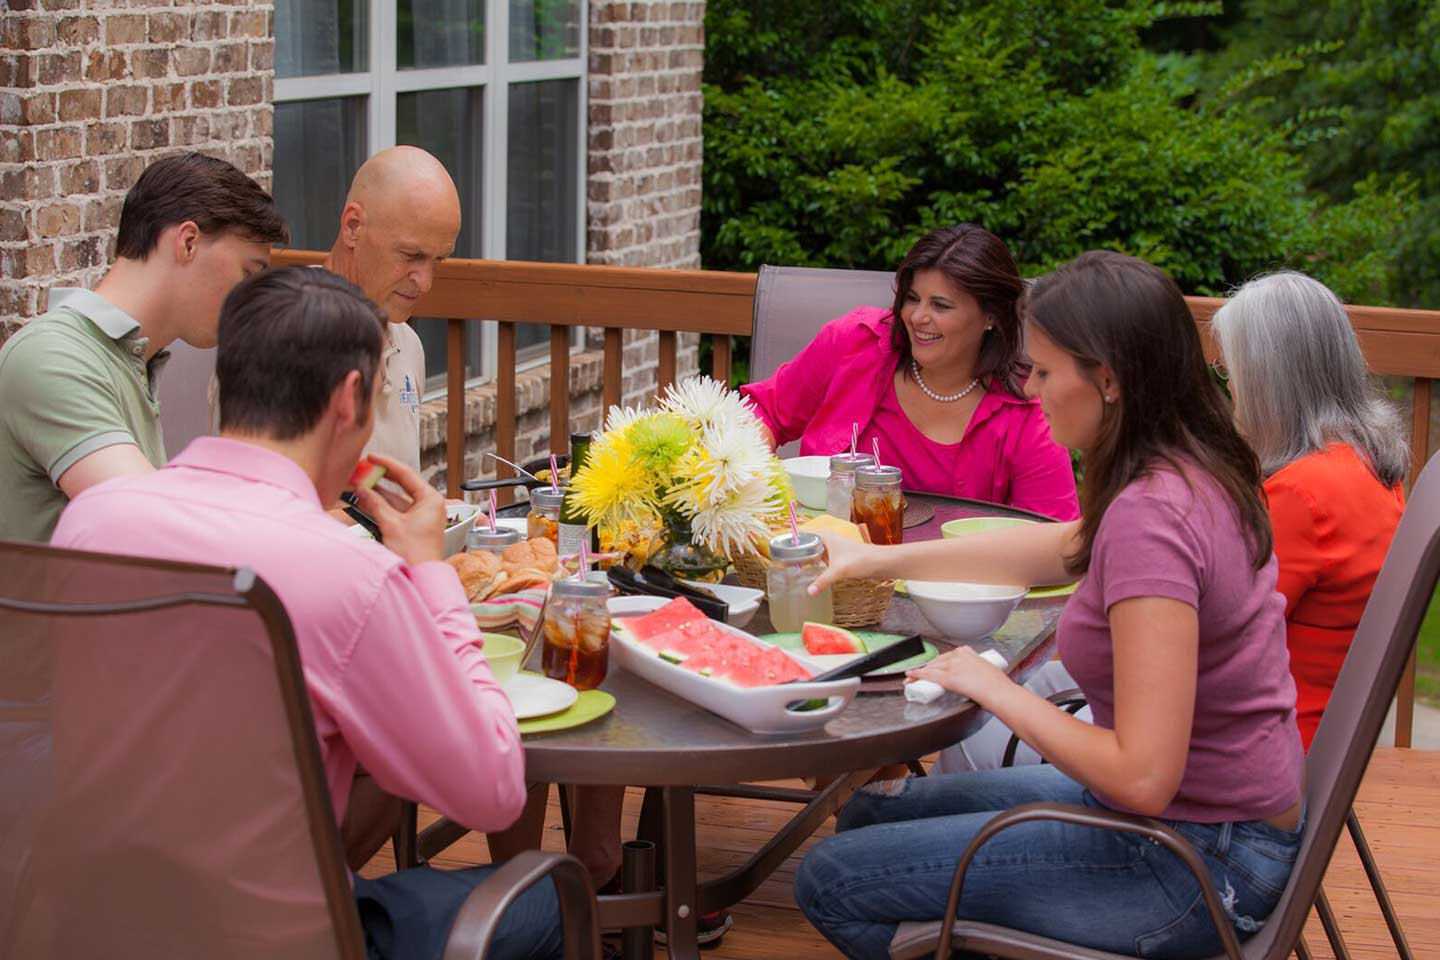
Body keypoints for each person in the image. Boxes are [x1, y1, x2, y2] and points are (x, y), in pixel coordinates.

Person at [794, 251, 1304, 959]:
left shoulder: (1152, 519)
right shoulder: (1186, 467)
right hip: (1215, 824)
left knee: (829, 879)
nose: (1029, 390)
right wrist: (882, 558)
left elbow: (1143, 775)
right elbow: (1044, 548)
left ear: (1109, 379)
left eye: (1042, 371)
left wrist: (994, 688)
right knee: (867, 819)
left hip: (1194, 861)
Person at [52, 267, 560, 960]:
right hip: (277, 939)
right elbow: (493, 791)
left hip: (94, 922)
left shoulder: (92, 520)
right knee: (551, 899)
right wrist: (429, 572)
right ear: (349, 400)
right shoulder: (350, 575)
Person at [0, 152, 287, 542]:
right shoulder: (53, 357)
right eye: (249, 272)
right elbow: (151, 525)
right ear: (187, 242)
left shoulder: (132, 360)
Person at [740, 224, 1079, 519]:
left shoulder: (1029, 411)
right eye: (913, 298)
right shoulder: (855, 343)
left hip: (955, 586)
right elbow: (765, 411)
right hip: (828, 564)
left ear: (991, 316)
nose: (917, 317)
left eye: (940, 305)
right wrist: (745, 489)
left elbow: (1049, 535)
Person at [1213, 271, 1408, 748]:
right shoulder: (1368, 464)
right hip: (1313, 746)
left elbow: (1213, 639)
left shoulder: (1303, 495)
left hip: (1253, 760)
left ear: (1266, 382)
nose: (1230, 388)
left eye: (1232, 371)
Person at [322, 145, 461, 473]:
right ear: (353, 226)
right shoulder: (275, 337)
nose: (425, 282)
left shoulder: (408, 345)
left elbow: (382, 489)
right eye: (411, 255)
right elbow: (262, 510)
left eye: (438, 260)